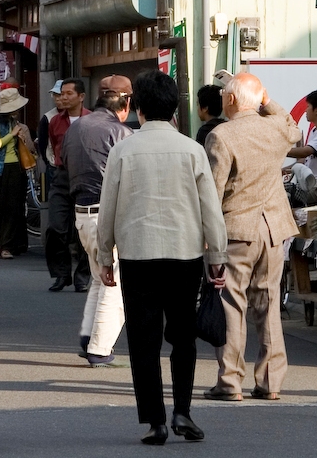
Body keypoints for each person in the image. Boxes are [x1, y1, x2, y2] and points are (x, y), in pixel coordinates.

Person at [97, 71, 226, 446]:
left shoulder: (123, 150)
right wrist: (216, 255)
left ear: (137, 108)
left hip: (137, 256)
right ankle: (183, 411)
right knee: (183, 337)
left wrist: (104, 256)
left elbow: (108, 210)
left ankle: (155, 420)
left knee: (143, 340)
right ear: (175, 108)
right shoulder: (192, 150)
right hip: (184, 256)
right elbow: (210, 210)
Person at [204, 71, 301, 401]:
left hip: (236, 229)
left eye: (223, 96)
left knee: (232, 303)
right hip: (273, 227)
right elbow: (293, 127)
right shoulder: (275, 128)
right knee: (269, 301)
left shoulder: (221, 135)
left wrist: (206, 239)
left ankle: (230, 380)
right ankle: (271, 381)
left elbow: (212, 194)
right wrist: (267, 101)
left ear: (230, 99)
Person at [61, 75, 133, 366]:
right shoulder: (121, 133)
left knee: (99, 278)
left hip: (82, 213)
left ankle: (87, 335)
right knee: (114, 282)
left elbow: (62, 165)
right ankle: (100, 347)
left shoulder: (75, 128)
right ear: (125, 102)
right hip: (108, 214)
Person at [44, 78, 88, 292]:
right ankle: (61, 274)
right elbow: (54, 145)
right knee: (56, 227)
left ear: (81, 96)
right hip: (61, 176)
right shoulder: (54, 122)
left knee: (84, 229)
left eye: (69, 93)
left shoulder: (91, 119)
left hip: (85, 177)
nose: (63, 97)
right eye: (62, 93)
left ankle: (82, 276)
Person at [0, 86, 34, 258]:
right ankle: (3, 245)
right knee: (2, 207)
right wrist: (12, 134)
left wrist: (22, 138)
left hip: (17, 168)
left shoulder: (15, 122)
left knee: (16, 207)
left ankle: (15, 243)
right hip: (0, 168)